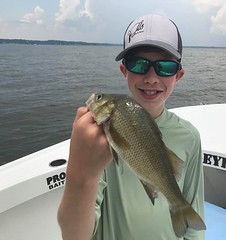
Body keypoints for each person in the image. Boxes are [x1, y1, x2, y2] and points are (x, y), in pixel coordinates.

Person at [58, 14, 205, 240]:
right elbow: (74, 235)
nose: (151, 77)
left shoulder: (190, 137)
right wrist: (80, 172)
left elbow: (194, 226)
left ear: (179, 75)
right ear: (124, 70)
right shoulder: (98, 139)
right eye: (139, 64)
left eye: (165, 66)